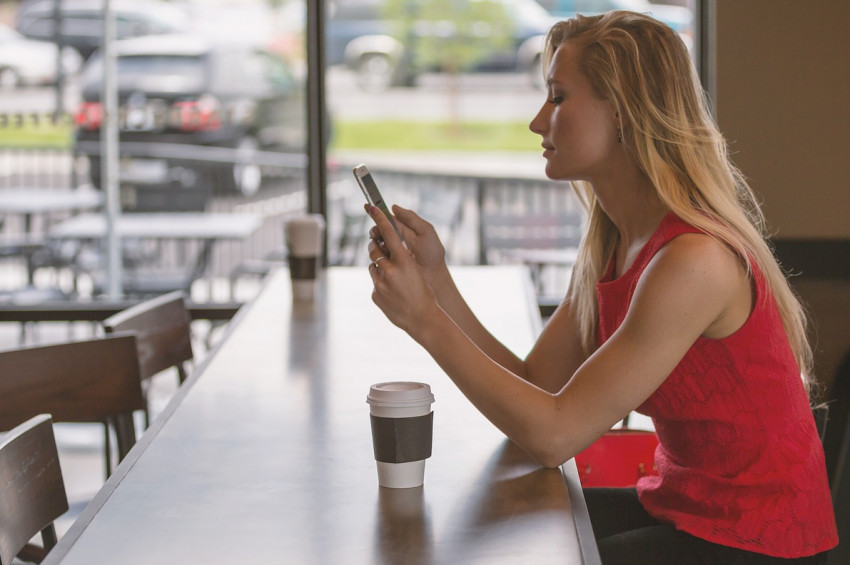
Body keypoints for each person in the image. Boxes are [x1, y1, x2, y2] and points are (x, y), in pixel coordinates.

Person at [364, 10, 838, 564]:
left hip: (759, 543)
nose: (538, 121)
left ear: (624, 114)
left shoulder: (693, 260)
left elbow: (553, 437)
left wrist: (425, 321)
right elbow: (536, 384)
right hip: (685, 510)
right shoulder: (616, 243)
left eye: (558, 98)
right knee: (504, 519)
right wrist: (436, 283)